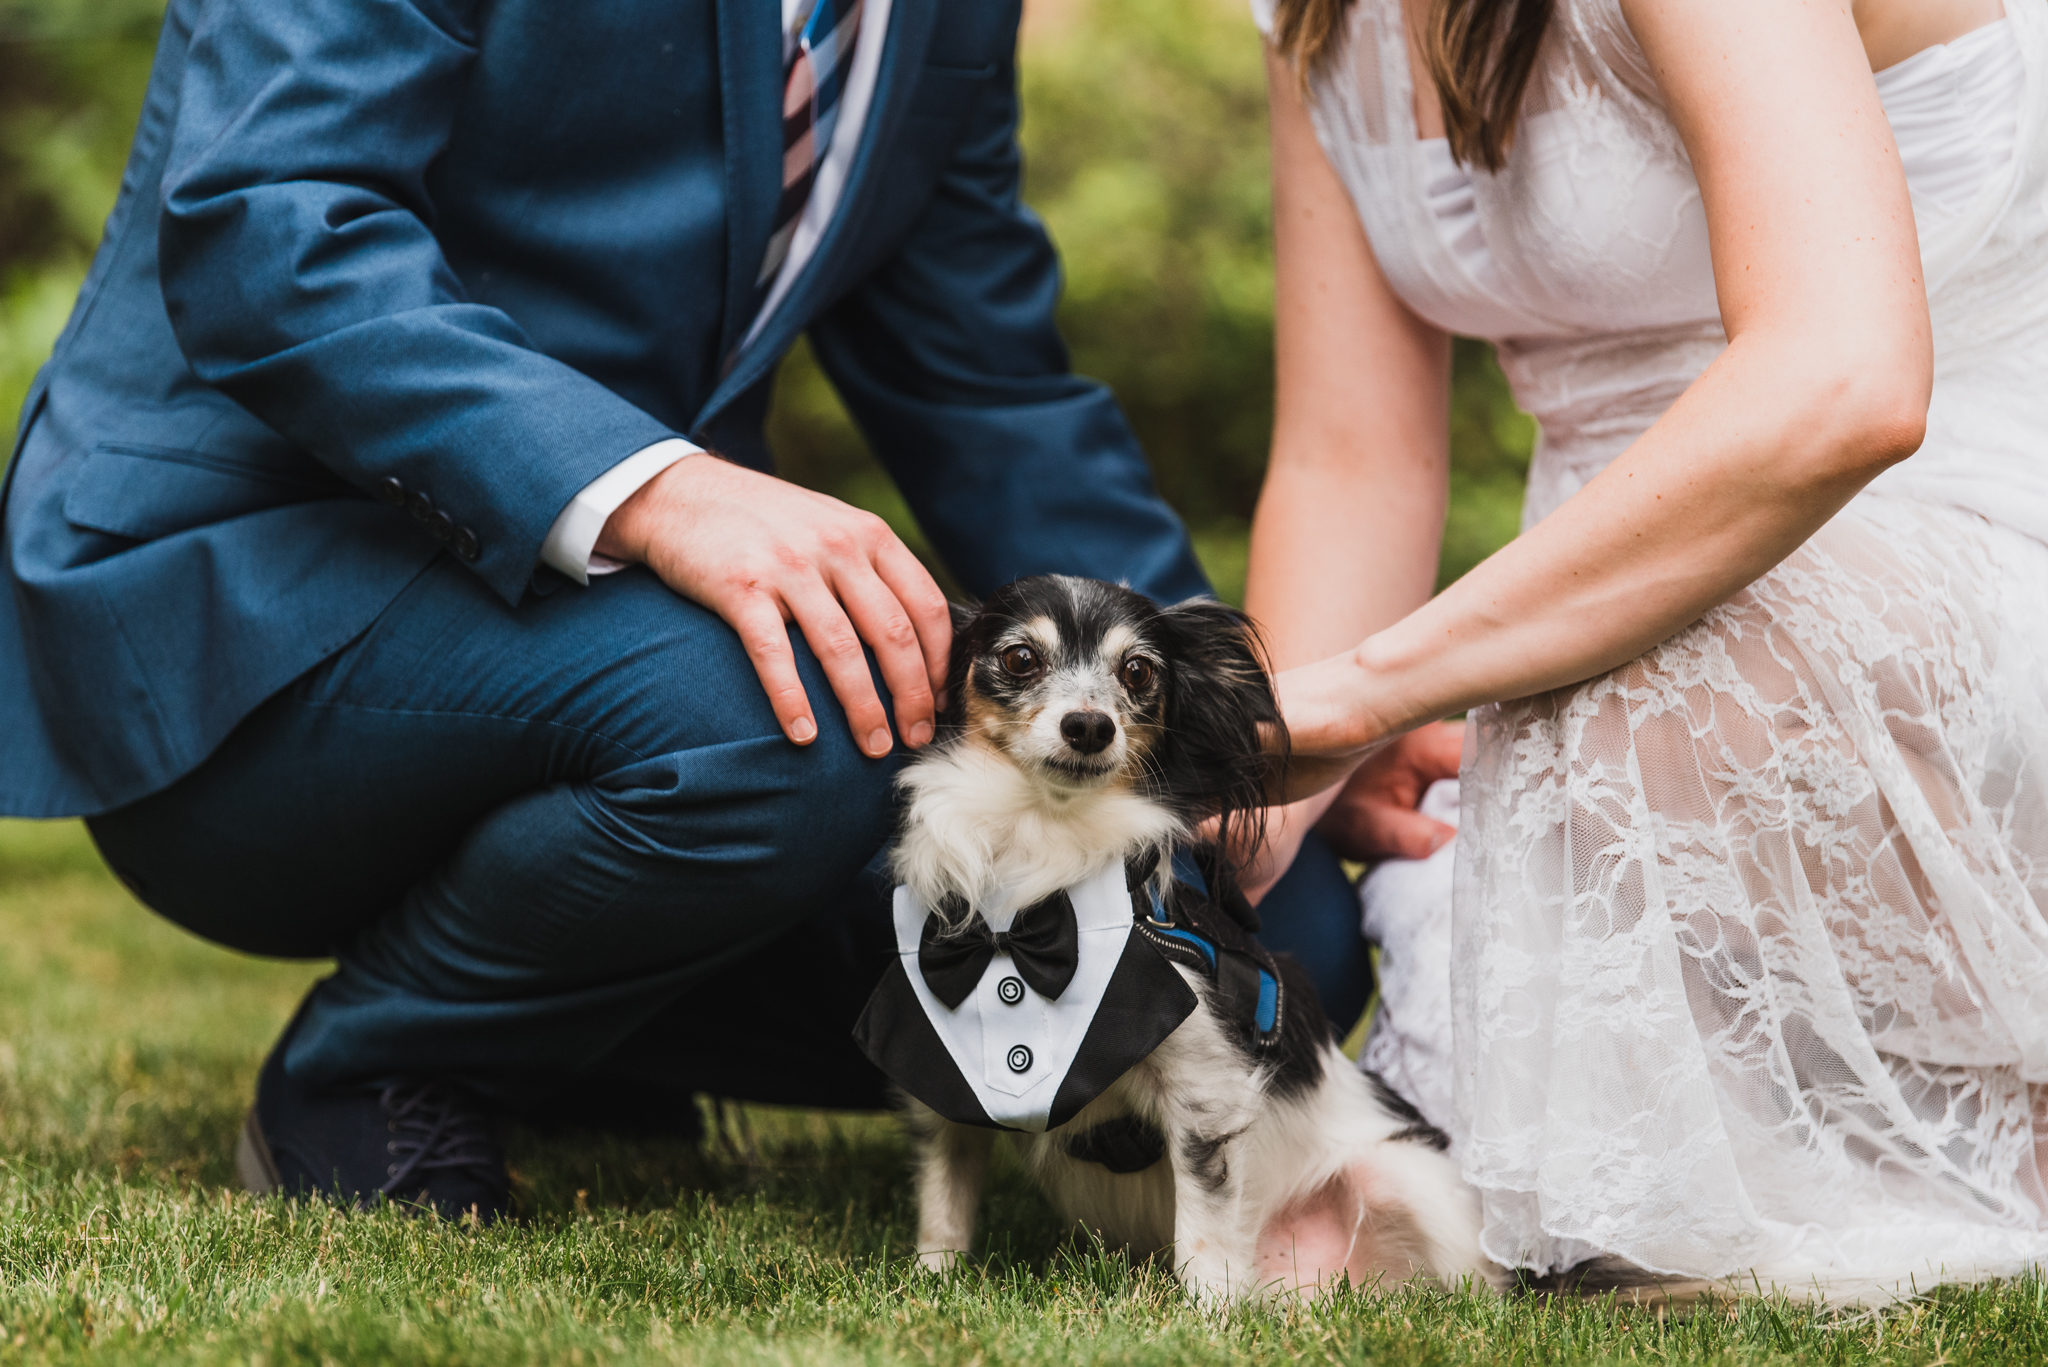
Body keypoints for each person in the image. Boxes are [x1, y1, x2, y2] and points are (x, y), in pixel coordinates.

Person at [0, 0, 1376, 1219]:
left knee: (1264, 915)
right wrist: (661, 489)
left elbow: (983, 388)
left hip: (597, 650)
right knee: (797, 713)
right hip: (244, 594)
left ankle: (574, 1020)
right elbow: (270, 220)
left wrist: (1216, 720)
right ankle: (374, 1068)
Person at [1244, 0, 2048, 1295]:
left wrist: (1364, 695)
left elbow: (1844, 383)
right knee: (1521, 833)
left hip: (1969, 535)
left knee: (1620, 712)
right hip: (1603, 616)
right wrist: (1230, 822)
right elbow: (1354, 463)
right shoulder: (1313, 17)